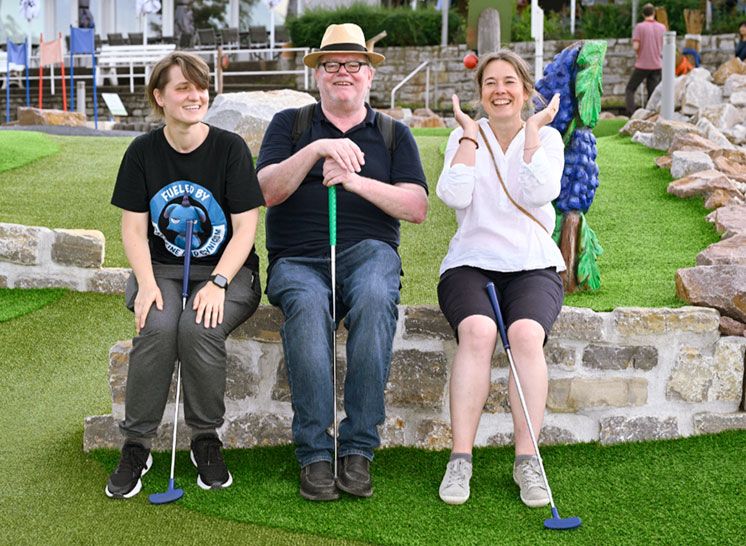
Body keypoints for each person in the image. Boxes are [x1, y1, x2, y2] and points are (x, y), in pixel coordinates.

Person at [256, 23, 428, 501]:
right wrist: (316, 150)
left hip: (369, 252)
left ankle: (358, 449)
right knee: (308, 308)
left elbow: (415, 208)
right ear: (319, 76)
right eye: (332, 65)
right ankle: (314, 453)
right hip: (297, 259)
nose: (343, 73)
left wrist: (355, 182)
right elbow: (266, 191)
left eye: (354, 64)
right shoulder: (289, 126)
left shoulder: (394, 134)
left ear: (370, 75)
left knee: (376, 297)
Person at [107, 51, 264, 498]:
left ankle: (205, 439)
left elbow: (246, 228)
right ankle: (137, 445)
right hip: (160, 270)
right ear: (160, 97)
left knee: (199, 327)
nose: (194, 95)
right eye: (182, 87)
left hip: (226, 270)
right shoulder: (142, 152)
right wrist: (148, 284)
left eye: (200, 87)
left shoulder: (230, 148)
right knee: (157, 326)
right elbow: (134, 229)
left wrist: (217, 283)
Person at [435, 50, 565, 507]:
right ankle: (460, 459)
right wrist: (469, 140)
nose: (500, 90)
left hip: (533, 264)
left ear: (526, 91)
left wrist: (531, 134)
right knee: (479, 330)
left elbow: (541, 191)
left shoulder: (547, 140)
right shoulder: (462, 137)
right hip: (471, 262)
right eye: (490, 83)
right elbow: (453, 194)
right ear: (480, 93)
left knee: (525, 335)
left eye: (510, 82)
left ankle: (527, 461)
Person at [625, 3, 666, 115]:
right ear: (654, 13)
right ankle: (650, 115)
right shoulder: (662, 28)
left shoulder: (640, 27)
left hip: (643, 64)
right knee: (652, 93)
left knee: (630, 89)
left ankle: (631, 113)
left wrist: (638, 53)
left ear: (643, 14)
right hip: (657, 64)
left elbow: (636, 46)